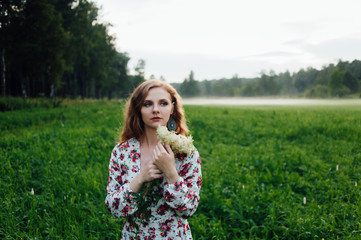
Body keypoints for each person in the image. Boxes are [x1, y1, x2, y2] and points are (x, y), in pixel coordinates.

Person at [105, 80, 202, 239]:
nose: (155, 110)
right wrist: (140, 179)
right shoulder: (122, 152)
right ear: (138, 109)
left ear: (172, 108)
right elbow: (114, 208)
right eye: (147, 104)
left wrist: (171, 172)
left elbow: (188, 209)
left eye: (163, 103)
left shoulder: (186, 152)